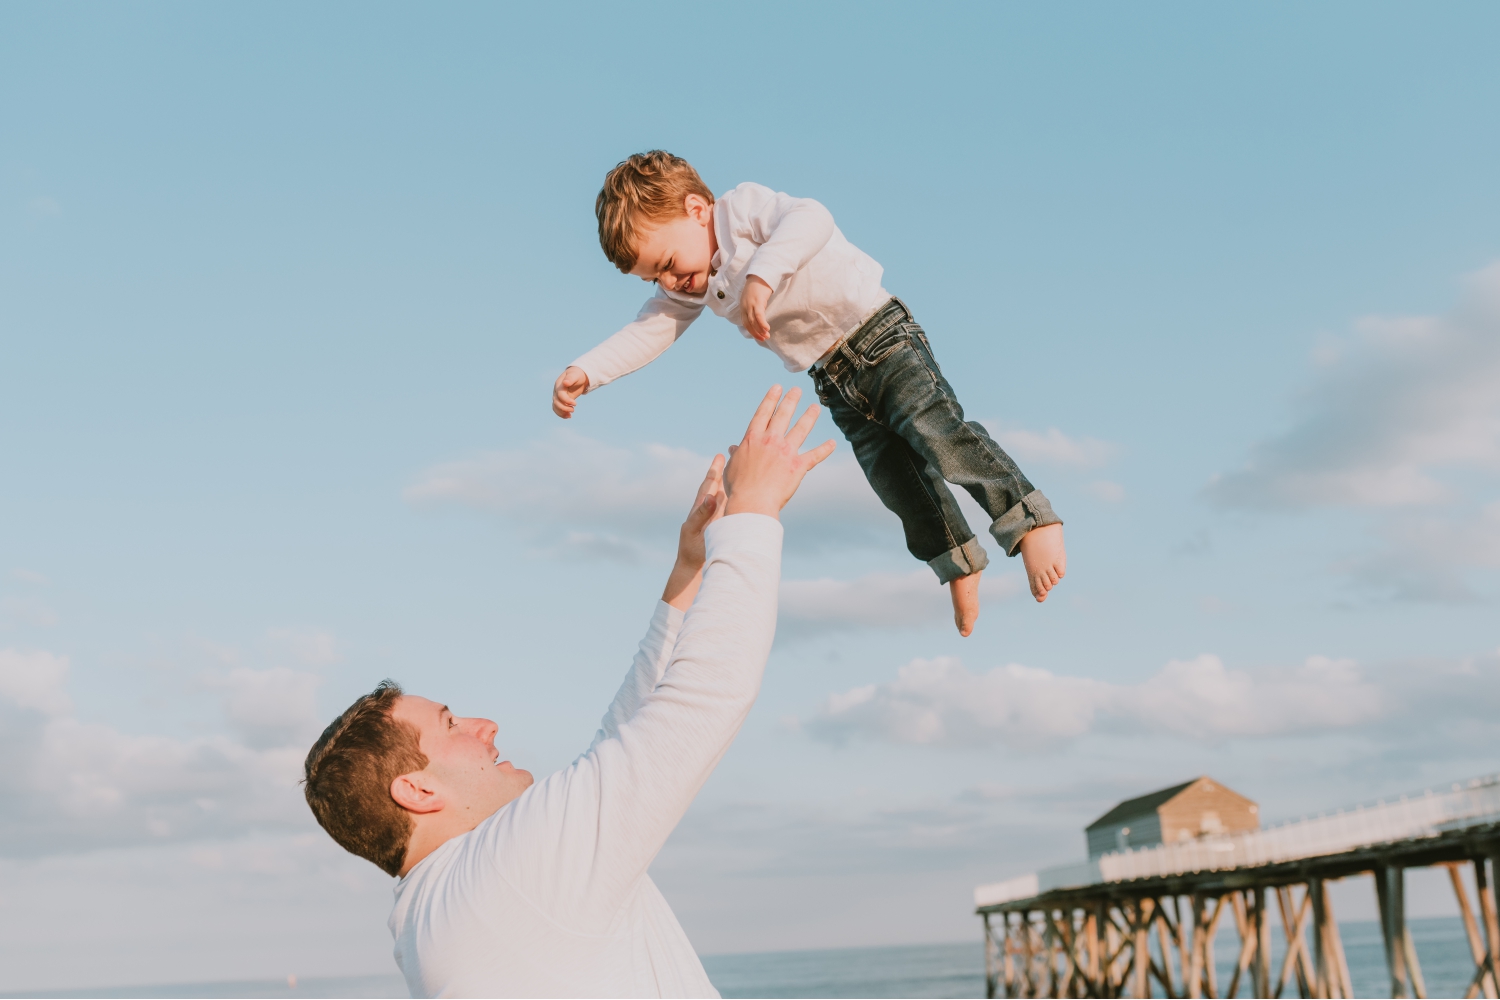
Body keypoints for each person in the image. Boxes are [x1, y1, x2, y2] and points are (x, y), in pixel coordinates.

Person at [302, 387, 834, 999]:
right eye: (450, 725)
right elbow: (703, 701)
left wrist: (688, 575)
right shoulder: (508, 871)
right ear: (418, 789)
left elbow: (619, 744)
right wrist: (753, 510)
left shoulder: (434, 912)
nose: (486, 726)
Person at [551, 151, 1066, 637]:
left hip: (879, 337)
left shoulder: (741, 212)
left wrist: (761, 276)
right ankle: (955, 558)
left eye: (666, 262)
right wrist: (588, 370)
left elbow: (811, 218)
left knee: (938, 434)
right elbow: (651, 328)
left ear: (696, 209)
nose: (671, 282)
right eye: (654, 277)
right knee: (895, 478)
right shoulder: (690, 283)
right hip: (833, 376)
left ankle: (1027, 520)